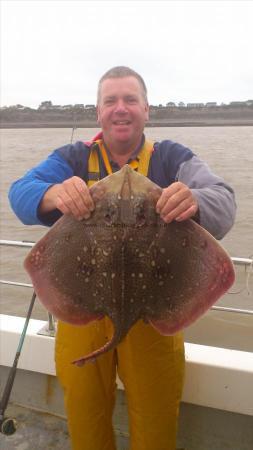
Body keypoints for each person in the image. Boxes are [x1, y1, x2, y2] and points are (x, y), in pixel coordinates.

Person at [9, 66, 236, 450]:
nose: (120, 108)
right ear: (98, 112)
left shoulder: (172, 158)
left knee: (155, 421)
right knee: (85, 417)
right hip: (83, 311)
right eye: (110, 100)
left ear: (147, 110)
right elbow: (21, 192)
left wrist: (196, 200)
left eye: (130, 99)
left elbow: (224, 199)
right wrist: (54, 195)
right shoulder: (72, 158)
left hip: (154, 314)